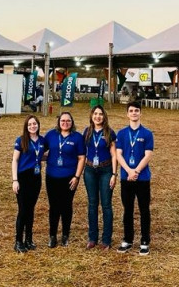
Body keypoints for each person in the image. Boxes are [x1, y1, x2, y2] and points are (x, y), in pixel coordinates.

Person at [116, 101, 154, 256]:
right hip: (126, 177)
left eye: (136, 110)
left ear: (140, 113)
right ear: (127, 114)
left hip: (142, 177)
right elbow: (118, 154)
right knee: (128, 209)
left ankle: (145, 240)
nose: (133, 113)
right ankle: (128, 239)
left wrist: (136, 171)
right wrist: (128, 171)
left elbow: (148, 155)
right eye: (131, 111)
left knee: (144, 209)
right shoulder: (122, 133)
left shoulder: (147, 133)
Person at [44, 111, 85, 248]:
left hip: (69, 177)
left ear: (72, 122)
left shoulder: (77, 138)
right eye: (63, 121)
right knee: (54, 206)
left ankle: (65, 235)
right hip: (52, 176)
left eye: (68, 121)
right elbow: (41, 151)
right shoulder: (51, 135)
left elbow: (81, 158)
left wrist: (77, 177)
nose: (65, 123)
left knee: (66, 206)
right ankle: (52, 235)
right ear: (58, 122)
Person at [82, 105, 117, 250]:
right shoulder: (87, 132)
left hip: (106, 170)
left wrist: (114, 174)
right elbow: (83, 152)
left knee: (106, 205)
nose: (98, 116)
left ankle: (106, 240)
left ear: (104, 117)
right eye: (95, 114)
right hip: (90, 170)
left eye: (100, 114)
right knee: (92, 204)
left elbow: (114, 154)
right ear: (92, 116)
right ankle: (92, 238)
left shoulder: (109, 132)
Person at [11, 115, 46, 253]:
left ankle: (29, 239)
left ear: (38, 125)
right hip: (23, 177)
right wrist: (15, 180)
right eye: (30, 124)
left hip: (36, 178)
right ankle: (18, 241)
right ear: (26, 126)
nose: (33, 126)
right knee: (23, 210)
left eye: (35, 124)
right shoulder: (21, 140)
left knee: (31, 210)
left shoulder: (42, 140)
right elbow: (15, 160)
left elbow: (40, 155)